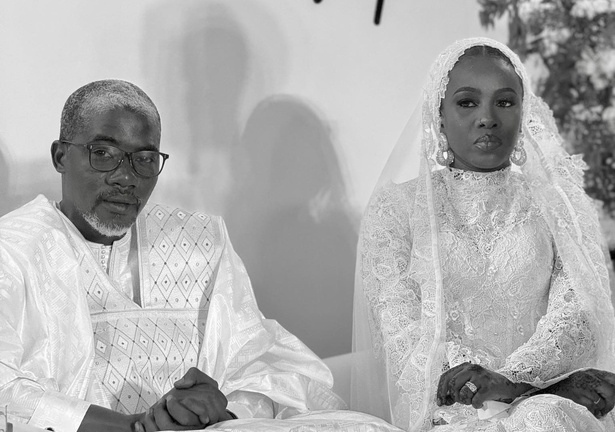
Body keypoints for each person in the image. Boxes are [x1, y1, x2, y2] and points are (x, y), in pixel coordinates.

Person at [0, 80, 401, 432]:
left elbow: (267, 364)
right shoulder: (13, 248)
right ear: (60, 156)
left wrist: (222, 410)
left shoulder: (199, 240)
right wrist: (136, 427)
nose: (126, 177)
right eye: (103, 153)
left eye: (145, 159)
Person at [351, 37, 615, 431]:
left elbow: (578, 316)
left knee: (542, 416)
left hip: (551, 393)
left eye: (505, 102)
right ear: (439, 115)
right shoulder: (396, 210)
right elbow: (405, 337)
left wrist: (516, 383)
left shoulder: (559, 207)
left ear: (524, 112)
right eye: (467, 102)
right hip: (448, 409)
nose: (487, 118)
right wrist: (484, 388)